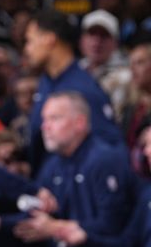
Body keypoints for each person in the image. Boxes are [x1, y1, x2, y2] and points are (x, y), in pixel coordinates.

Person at [12, 92, 135, 244]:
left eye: (54, 118)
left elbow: (113, 224)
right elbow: (36, 218)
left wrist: (56, 227)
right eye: (44, 119)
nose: (45, 126)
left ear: (79, 123)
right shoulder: (52, 163)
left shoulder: (104, 160)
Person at [23, 9, 123, 170]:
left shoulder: (83, 89)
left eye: (30, 41)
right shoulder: (47, 80)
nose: (27, 49)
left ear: (49, 39)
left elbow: (110, 151)